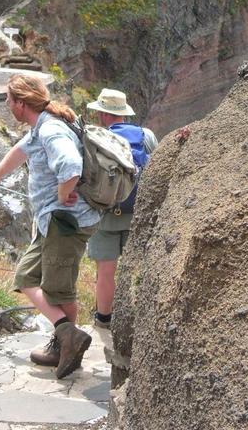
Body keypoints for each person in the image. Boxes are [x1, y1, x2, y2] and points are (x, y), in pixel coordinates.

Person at [0, 73, 100, 379]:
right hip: (53, 222)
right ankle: (65, 338)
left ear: (21, 103)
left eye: (9, 100)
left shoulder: (51, 129)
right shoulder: (40, 126)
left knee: (60, 291)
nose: (7, 105)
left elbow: (70, 166)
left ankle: (66, 342)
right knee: (27, 276)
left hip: (65, 222)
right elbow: (19, 152)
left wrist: (62, 193)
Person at [86, 88, 157, 328]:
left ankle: (104, 320)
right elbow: (156, 168)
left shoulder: (95, 137)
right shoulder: (145, 136)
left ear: (104, 115)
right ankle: (136, 320)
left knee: (105, 272)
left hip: (104, 215)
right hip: (136, 215)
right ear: (123, 113)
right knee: (136, 269)